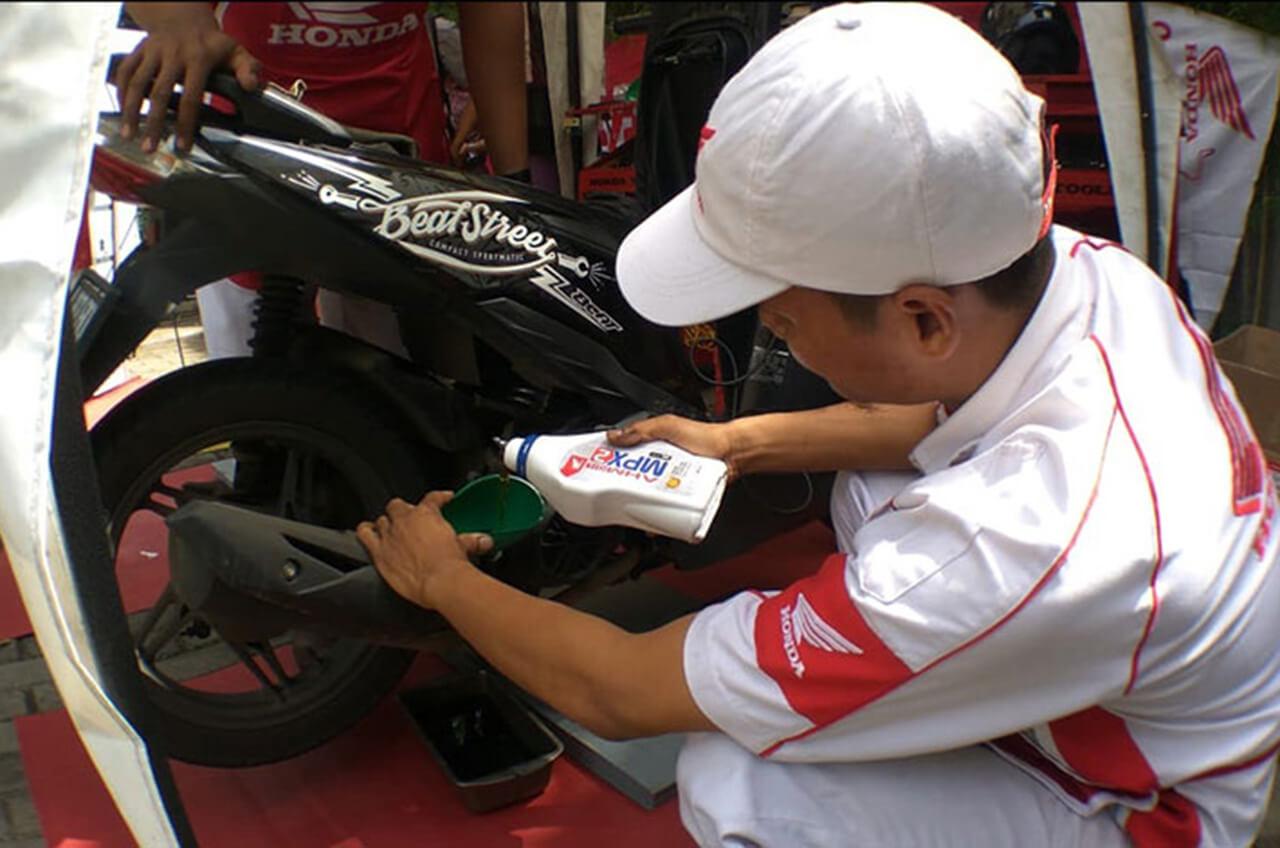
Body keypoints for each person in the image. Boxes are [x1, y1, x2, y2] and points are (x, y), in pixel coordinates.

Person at [356, 4, 1280, 846]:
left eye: (785, 321)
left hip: (1140, 805)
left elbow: (622, 689)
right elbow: (931, 417)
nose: (779, 341)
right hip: (1122, 671)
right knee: (868, 496)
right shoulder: (1081, 274)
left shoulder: (1013, 544)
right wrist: (731, 443)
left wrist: (444, 580)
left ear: (924, 320)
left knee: (740, 779)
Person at [114, 1, 529, 358]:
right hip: (248, 151)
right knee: (247, 387)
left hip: (394, 164)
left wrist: (516, 185)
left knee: (406, 391)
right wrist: (179, 21)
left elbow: (490, 14)